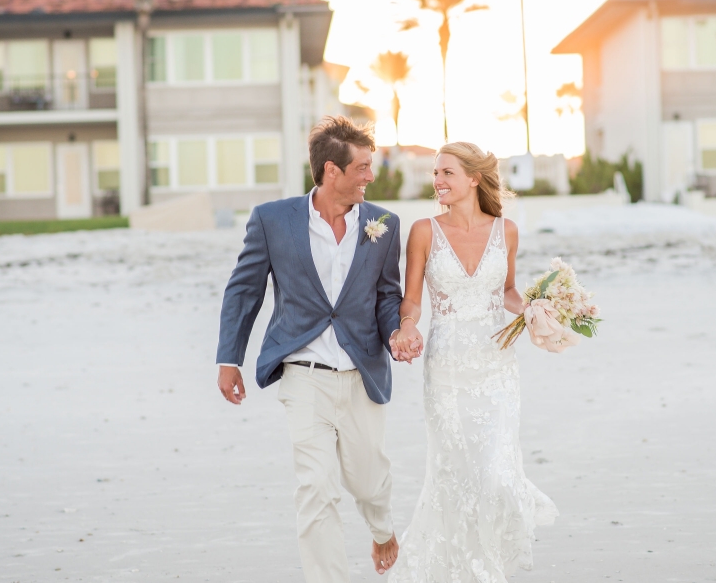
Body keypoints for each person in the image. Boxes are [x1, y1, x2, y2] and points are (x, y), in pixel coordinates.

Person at [215, 116, 422, 582]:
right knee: (316, 488)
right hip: (302, 372)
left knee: (368, 481)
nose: (371, 175)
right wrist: (230, 359)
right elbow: (244, 291)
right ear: (332, 171)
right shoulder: (272, 219)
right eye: (363, 167)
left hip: (361, 370)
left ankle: (382, 527)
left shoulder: (384, 224)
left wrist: (396, 333)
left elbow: (387, 296)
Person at [389, 142, 558, 582]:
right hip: (446, 370)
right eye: (435, 173)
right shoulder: (424, 231)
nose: (438, 181)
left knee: (495, 474)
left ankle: (487, 566)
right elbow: (411, 300)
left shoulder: (508, 231)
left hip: (496, 368)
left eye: (447, 172)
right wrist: (407, 327)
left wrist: (534, 309)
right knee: (453, 473)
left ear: (473, 179)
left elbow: (506, 291)